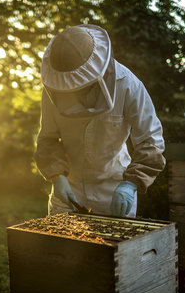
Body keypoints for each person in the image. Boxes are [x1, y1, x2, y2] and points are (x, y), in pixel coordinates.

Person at [34, 24, 166, 217]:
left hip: (114, 188)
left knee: (118, 247)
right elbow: (48, 139)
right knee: (61, 246)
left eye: (81, 88)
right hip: (69, 188)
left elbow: (151, 142)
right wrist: (57, 176)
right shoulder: (54, 89)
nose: (75, 93)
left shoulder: (129, 85)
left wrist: (131, 184)